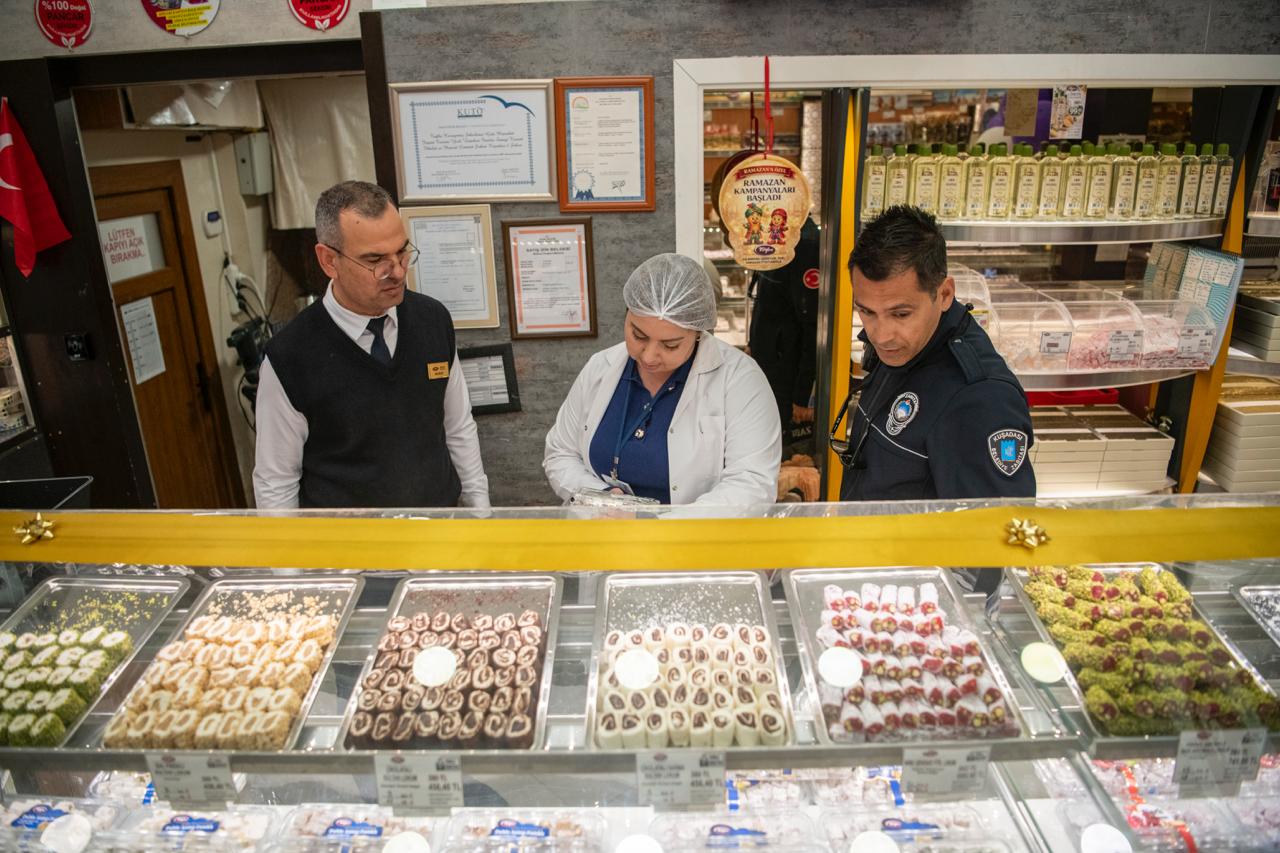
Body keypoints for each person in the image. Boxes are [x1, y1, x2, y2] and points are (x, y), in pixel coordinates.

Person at [253, 180, 489, 509]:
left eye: (402, 252)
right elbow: (276, 481)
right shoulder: (290, 357)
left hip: (439, 531)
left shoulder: (432, 321)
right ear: (328, 261)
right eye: (375, 260)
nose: (396, 272)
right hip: (351, 550)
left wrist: (481, 515)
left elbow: (458, 426)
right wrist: (291, 561)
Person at [544, 253, 781, 506]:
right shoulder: (600, 367)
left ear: (698, 333)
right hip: (604, 532)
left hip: (690, 540)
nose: (649, 356)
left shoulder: (740, 380)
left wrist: (658, 524)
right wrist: (602, 498)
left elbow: (751, 483)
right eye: (638, 335)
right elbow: (561, 453)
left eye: (670, 345)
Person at [835, 205, 1035, 502]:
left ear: (944, 295)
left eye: (901, 314)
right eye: (866, 311)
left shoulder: (979, 399)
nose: (881, 334)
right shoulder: (903, 348)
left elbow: (990, 531)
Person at [748, 215, 820, 454]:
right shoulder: (777, 237)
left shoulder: (805, 243)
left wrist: (802, 396)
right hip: (771, 364)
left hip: (786, 372)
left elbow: (812, 327)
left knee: (783, 450)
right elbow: (767, 302)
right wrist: (753, 344)